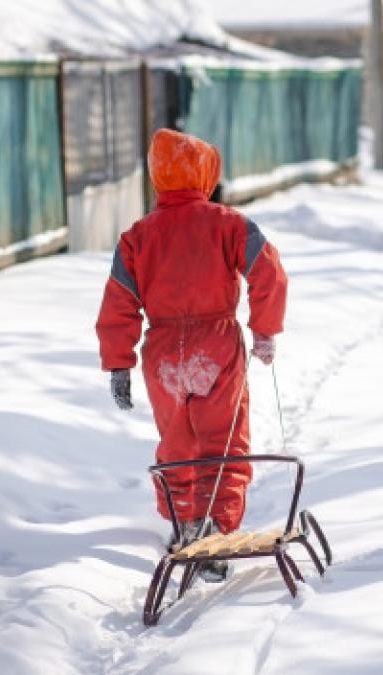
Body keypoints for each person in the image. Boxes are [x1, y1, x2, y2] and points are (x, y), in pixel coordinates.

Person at [96, 129, 287, 581]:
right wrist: (264, 329)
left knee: (177, 439)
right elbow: (269, 273)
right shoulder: (229, 224)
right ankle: (217, 527)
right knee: (223, 436)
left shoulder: (137, 237)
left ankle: (184, 519)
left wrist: (119, 362)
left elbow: (119, 299)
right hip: (216, 344)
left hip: (162, 353)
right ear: (204, 173)